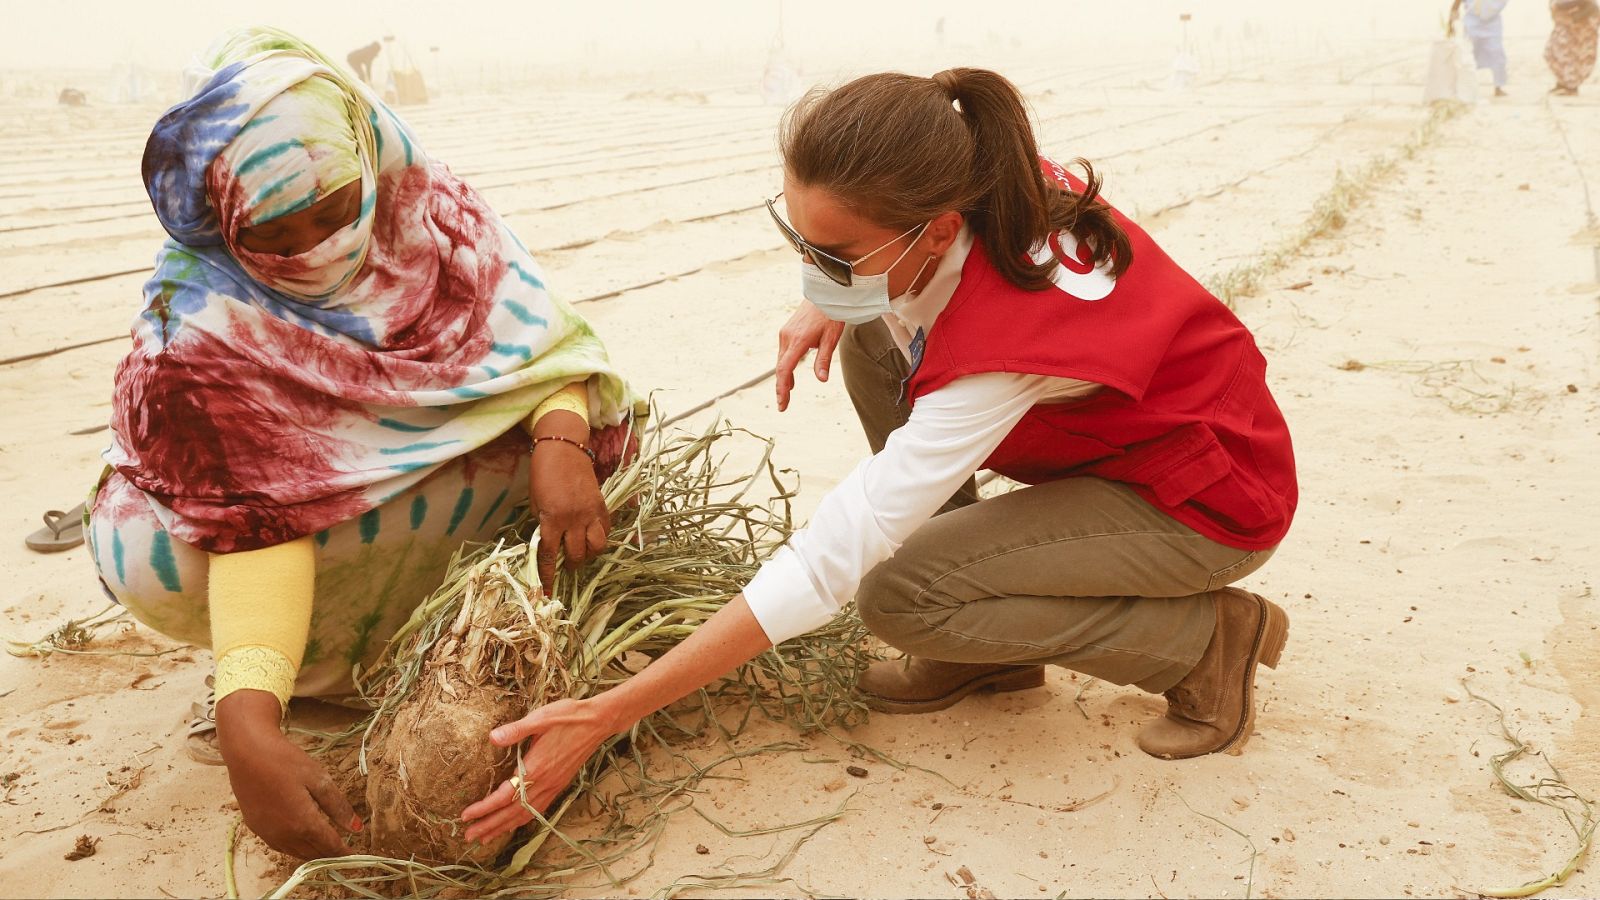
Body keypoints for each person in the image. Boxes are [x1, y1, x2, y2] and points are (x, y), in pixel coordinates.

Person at [459, 68, 1298, 844]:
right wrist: (835, 294)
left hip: (1203, 496)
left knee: (899, 594)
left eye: (838, 256)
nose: (815, 269)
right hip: (1127, 434)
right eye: (804, 244)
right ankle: (997, 646)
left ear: (936, 231)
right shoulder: (972, 172)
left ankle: (1206, 646)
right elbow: (873, 275)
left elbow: (831, 560)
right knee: (868, 336)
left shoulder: (999, 349)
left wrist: (609, 712)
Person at [87, 27, 637, 860]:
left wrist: (561, 434)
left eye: (336, 210)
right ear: (220, 218)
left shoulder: (429, 214)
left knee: (600, 439)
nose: (317, 248)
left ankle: (432, 643)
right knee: (145, 550)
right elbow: (254, 519)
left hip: (424, 503)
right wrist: (246, 714)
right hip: (290, 539)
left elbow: (546, 352)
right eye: (274, 235)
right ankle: (310, 674)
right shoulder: (194, 334)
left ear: (364, 156)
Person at [1451, 0, 1513, 96]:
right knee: (1467, 55)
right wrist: (1452, 22)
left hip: (1493, 22)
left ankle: (1498, 87)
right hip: (1472, 21)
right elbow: (1456, 5)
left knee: (1497, 52)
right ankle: (1463, 86)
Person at [1546, 0, 1600, 93]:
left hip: (1583, 18)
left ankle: (1570, 85)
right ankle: (1563, 81)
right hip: (1569, 18)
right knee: (1553, 51)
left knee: (1574, 53)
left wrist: (1560, 6)